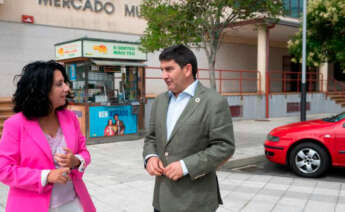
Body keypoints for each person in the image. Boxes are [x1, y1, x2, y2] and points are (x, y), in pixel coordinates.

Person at [143, 44, 235, 212]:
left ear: (187, 69)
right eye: (162, 70)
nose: (164, 76)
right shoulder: (160, 101)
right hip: (162, 200)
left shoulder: (213, 102)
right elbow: (151, 137)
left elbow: (225, 146)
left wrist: (186, 166)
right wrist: (150, 157)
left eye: (169, 69)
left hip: (195, 202)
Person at [0, 61, 96, 212]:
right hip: (30, 206)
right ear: (41, 90)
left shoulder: (70, 118)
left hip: (73, 203)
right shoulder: (15, 125)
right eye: (59, 84)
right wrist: (46, 176)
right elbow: (4, 170)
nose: (66, 88)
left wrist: (76, 160)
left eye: (65, 82)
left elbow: (84, 153)